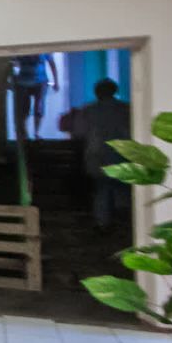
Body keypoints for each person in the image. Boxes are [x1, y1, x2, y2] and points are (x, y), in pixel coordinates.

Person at [70, 78, 131, 230]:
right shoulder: (125, 109)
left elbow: (79, 132)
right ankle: (124, 219)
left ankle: (103, 222)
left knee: (102, 189)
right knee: (122, 188)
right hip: (122, 152)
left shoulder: (88, 111)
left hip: (97, 154)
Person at [9, 53, 59, 139]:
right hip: (23, 82)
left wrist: (56, 82)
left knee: (39, 106)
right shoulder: (21, 51)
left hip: (40, 81)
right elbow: (12, 62)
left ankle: (36, 133)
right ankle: (24, 134)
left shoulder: (45, 51)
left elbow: (52, 64)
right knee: (24, 109)